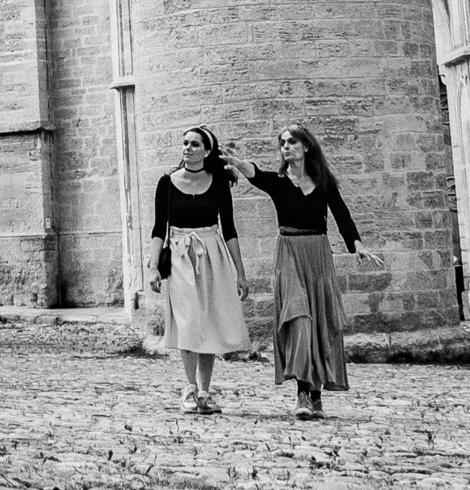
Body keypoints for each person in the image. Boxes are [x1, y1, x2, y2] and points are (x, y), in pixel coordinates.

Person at [226, 123, 382, 420]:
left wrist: (358, 245)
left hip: (318, 256)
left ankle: (316, 395)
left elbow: (342, 215)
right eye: (282, 143)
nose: (286, 147)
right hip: (289, 254)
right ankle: (302, 391)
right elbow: (255, 173)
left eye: (292, 142)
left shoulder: (324, 183)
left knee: (320, 322)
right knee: (299, 320)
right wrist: (236, 162)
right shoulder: (278, 182)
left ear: (306, 146)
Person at [148, 126, 250, 413]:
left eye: (194, 144)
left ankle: (205, 392)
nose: (187, 148)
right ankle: (189, 388)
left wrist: (241, 274)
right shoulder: (167, 183)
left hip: (212, 255)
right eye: (185, 143)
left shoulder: (219, 183)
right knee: (189, 321)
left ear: (207, 151)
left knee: (209, 322)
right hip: (180, 256)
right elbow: (158, 229)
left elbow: (229, 230)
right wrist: (154, 267)